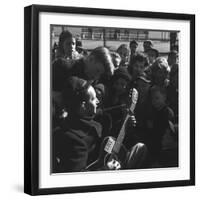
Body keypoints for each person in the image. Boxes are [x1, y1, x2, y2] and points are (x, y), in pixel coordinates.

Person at [52, 76, 148, 172]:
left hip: (106, 161)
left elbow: (107, 141)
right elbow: (76, 177)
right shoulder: (75, 141)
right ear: (83, 106)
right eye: (93, 99)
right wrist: (104, 168)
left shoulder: (93, 119)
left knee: (139, 148)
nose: (98, 101)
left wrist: (125, 123)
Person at [146, 85, 178, 167]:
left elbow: (165, 134)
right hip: (154, 146)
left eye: (157, 98)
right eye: (152, 99)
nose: (154, 101)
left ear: (164, 98)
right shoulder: (154, 111)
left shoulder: (167, 113)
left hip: (163, 148)